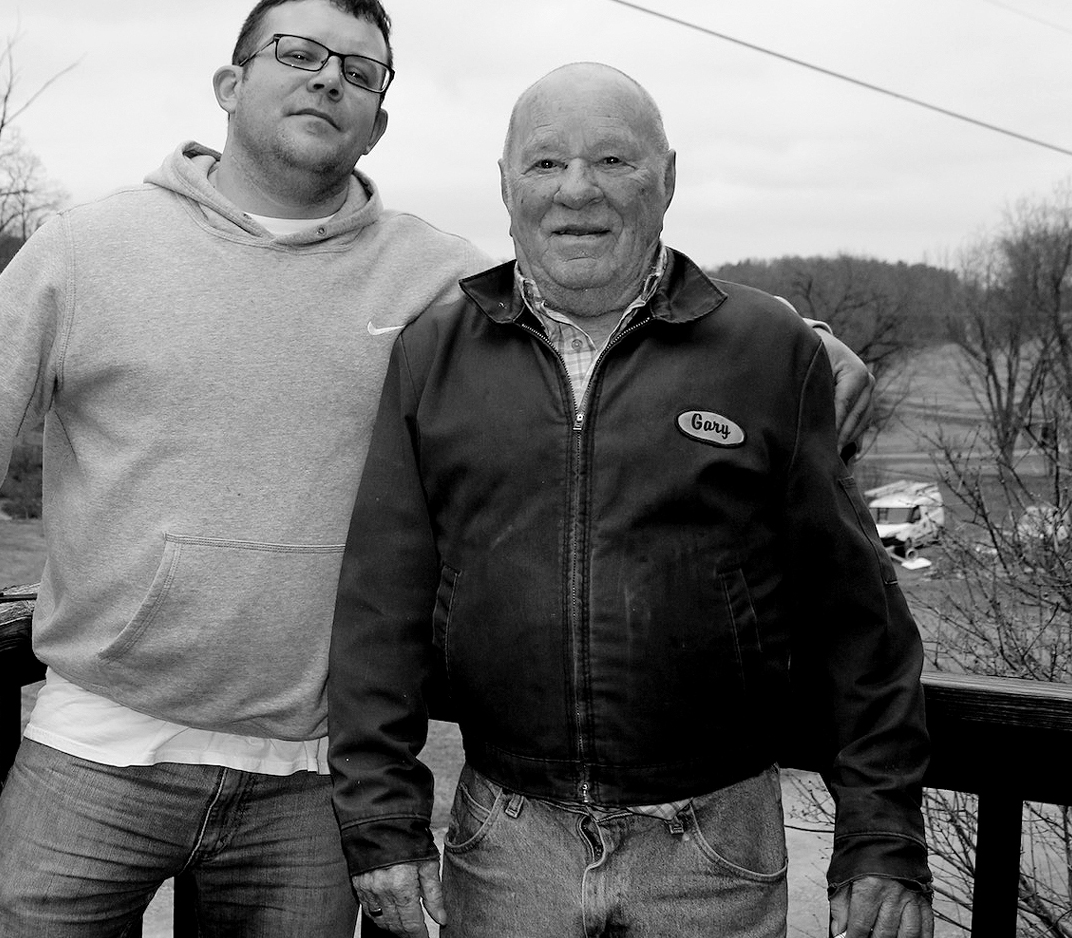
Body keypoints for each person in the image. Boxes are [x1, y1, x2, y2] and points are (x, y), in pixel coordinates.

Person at [0, 0, 876, 936]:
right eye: (299, 52)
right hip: (98, 748)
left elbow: (588, 268)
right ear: (231, 85)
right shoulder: (91, 247)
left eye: (363, 71)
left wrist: (800, 347)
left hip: (308, 782)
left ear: (380, 121)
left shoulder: (430, 280)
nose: (331, 78)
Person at [327, 62, 931, 938]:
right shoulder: (434, 353)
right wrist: (381, 818)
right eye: (544, 165)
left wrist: (880, 831)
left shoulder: (768, 350)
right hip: (503, 847)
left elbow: (857, 618)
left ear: (668, 179)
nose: (578, 190)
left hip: (713, 852)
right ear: (504, 186)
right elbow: (378, 606)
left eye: (614, 160)